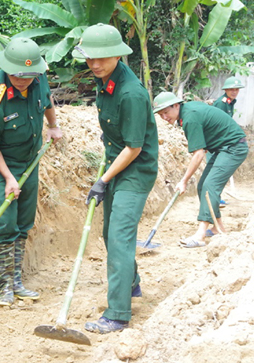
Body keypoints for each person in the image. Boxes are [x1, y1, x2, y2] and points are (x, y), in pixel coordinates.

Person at [72, 23, 159, 334]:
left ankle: (118, 314)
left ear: (117, 56)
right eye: (89, 58)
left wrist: (102, 180)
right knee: (111, 232)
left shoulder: (131, 93)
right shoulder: (105, 80)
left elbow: (134, 147)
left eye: (102, 58)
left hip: (135, 170)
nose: (94, 64)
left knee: (120, 237)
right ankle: (131, 284)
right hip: (117, 164)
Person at [0, 38, 63, 306]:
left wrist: (53, 125)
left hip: (29, 161)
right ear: (7, 68)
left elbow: (47, 101)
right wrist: (9, 177)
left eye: (29, 75)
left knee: (23, 221)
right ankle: (3, 286)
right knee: (5, 222)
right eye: (18, 76)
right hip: (0, 164)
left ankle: (16, 282)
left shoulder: (38, 79)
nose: (23, 80)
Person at [153, 91, 248, 248]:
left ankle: (200, 235)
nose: (164, 117)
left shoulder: (190, 118)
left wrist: (183, 181)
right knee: (202, 186)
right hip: (222, 148)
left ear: (176, 105)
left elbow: (198, 154)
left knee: (210, 186)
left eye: (166, 112)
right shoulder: (187, 112)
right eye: (160, 114)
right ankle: (217, 227)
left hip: (234, 147)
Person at [211, 76, 245, 208]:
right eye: (231, 89)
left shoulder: (230, 102)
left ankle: (217, 197)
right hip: (217, 141)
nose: (234, 91)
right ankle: (215, 199)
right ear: (226, 90)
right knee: (216, 172)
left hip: (223, 140)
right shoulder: (222, 103)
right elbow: (216, 123)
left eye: (236, 89)